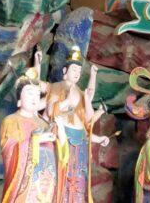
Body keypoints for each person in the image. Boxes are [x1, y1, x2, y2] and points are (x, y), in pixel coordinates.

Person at [45, 46, 109, 203]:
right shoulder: (57, 87)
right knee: (62, 175)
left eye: (79, 71)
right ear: (65, 71)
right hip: (62, 137)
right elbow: (51, 111)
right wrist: (66, 102)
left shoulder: (80, 93)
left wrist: (93, 76)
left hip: (80, 141)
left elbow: (88, 119)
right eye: (74, 69)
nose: (77, 73)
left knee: (79, 178)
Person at [0, 65, 68, 203]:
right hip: (28, 186)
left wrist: (61, 129)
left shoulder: (44, 124)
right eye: (29, 93)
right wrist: (36, 140)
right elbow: (10, 152)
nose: (34, 98)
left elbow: (62, 156)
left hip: (48, 183)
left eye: (37, 94)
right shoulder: (11, 121)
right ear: (19, 100)